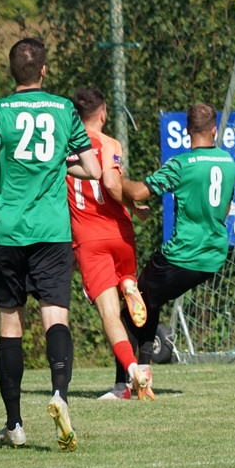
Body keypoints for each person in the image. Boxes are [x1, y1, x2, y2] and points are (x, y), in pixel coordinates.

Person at [0, 37, 102, 451]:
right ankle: (60, 394)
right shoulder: (64, 109)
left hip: (6, 228)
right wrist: (59, 163)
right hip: (51, 230)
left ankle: (15, 425)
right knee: (55, 316)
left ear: (12, 72)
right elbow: (93, 168)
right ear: (44, 70)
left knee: (11, 323)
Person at [120, 102, 235, 382]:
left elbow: (137, 193)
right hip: (213, 257)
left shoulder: (181, 165)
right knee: (150, 300)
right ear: (213, 130)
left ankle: (124, 383)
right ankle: (145, 372)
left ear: (187, 130)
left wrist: (114, 177)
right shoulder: (228, 162)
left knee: (128, 312)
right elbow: (225, 208)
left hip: (182, 256)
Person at [65, 86, 154, 401]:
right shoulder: (108, 143)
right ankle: (128, 281)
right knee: (126, 298)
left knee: (110, 315)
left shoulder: (63, 145)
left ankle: (131, 372)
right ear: (102, 114)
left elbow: (108, 182)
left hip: (89, 240)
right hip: (120, 234)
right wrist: (135, 208)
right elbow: (113, 183)